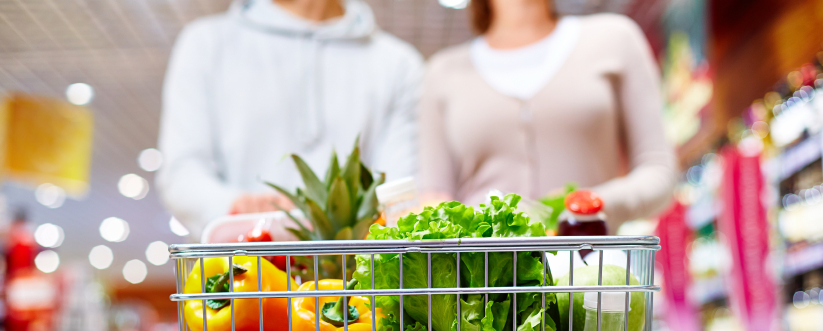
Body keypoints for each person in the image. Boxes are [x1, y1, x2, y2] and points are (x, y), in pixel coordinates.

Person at [158, 0, 423, 237]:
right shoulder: (206, 43)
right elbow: (181, 174)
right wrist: (235, 204)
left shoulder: (399, 63)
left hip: (360, 281)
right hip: (243, 271)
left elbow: (398, 188)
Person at [419, 0, 676, 233]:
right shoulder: (442, 74)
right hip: (484, 277)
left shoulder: (615, 40)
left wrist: (587, 206)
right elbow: (434, 198)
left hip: (590, 271)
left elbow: (658, 171)